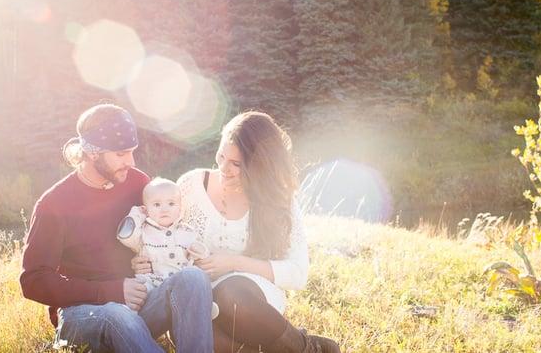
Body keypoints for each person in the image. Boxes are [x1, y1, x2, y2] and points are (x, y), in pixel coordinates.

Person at [133, 111, 341, 353]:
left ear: (260, 166)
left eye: (236, 164)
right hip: (198, 301)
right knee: (203, 340)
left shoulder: (279, 201)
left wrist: (233, 262)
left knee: (230, 294)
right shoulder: (191, 186)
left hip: (249, 299)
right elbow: (162, 232)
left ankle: (305, 348)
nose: (224, 169)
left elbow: (297, 273)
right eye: (221, 156)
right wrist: (144, 260)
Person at [20, 103, 213, 353]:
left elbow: (160, 229)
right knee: (117, 314)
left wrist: (148, 259)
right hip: (81, 315)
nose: (130, 162)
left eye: (132, 152)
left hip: (136, 305)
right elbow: (33, 281)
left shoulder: (137, 183)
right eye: (121, 154)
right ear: (92, 153)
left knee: (193, 279)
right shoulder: (54, 203)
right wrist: (110, 290)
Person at [117, 177, 219, 318]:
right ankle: (130, 314)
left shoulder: (187, 231)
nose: (164, 209)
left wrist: (200, 251)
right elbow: (126, 237)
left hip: (180, 281)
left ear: (180, 208)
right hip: (152, 281)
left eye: (171, 204)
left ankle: (203, 306)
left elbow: (201, 254)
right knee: (140, 290)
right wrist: (137, 214)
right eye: (157, 205)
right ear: (146, 209)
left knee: (197, 280)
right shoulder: (143, 232)